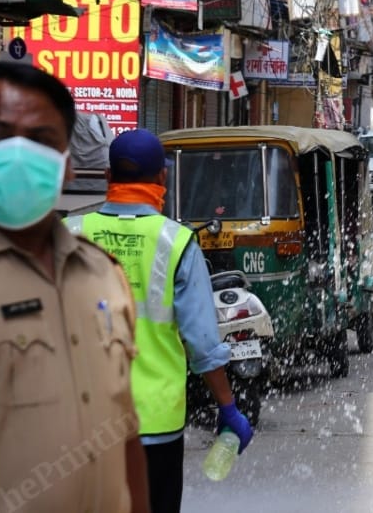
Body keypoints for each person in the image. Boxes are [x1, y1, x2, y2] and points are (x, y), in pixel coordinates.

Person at [0, 62, 149, 512]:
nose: (18, 155)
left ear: (66, 166)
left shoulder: (102, 274)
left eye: (41, 141)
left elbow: (123, 431)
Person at [66, 129, 253, 513]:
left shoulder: (71, 234)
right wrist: (228, 407)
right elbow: (202, 341)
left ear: (107, 177)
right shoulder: (178, 242)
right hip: (154, 423)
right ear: (162, 179)